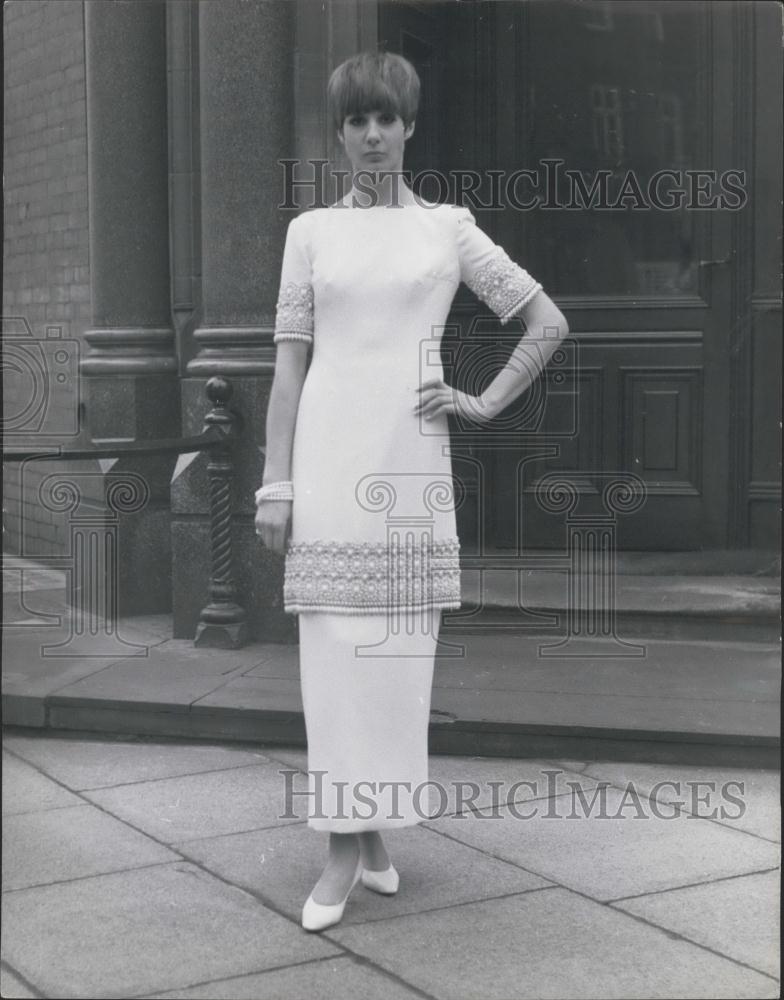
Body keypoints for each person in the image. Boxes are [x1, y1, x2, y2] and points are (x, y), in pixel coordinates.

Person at [255, 50, 568, 932]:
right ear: (340, 133)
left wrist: (481, 400)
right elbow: (287, 371)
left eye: (385, 119)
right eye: (356, 121)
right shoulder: (309, 231)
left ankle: (375, 826)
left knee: (396, 660)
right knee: (332, 656)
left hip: (410, 464)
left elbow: (547, 320)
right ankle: (344, 844)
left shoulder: (448, 228)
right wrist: (273, 485)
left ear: (410, 125)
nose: (371, 136)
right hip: (325, 461)